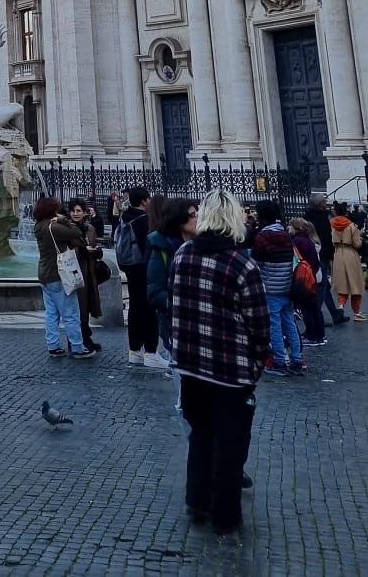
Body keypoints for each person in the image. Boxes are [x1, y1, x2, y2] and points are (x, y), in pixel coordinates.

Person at [168, 191, 269, 536]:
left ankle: (197, 502)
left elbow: (174, 305)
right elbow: (258, 322)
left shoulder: (181, 255)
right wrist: (256, 364)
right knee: (231, 442)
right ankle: (225, 515)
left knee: (201, 435)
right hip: (230, 371)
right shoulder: (243, 265)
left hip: (190, 366)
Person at [34, 198, 95, 360]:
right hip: (58, 275)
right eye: (56, 209)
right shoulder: (53, 227)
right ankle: (77, 347)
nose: (58, 212)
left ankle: (53, 346)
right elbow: (76, 232)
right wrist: (63, 220)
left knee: (51, 313)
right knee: (71, 312)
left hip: (44, 274)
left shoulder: (38, 226)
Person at [116, 186, 167, 368]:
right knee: (148, 308)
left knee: (135, 307)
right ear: (145, 200)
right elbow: (150, 248)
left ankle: (134, 351)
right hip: (142, 268)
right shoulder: (143, 221)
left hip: (130, 267)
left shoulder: (125, 217)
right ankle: (151, 352)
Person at [251, 202, 303, 375]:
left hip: (271, 288)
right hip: (287, 286)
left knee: (274, 326)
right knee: (289, 323)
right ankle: (297, 358)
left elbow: (256, 264)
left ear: (262, 216)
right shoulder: (286, 235)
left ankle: (280, 362)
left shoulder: (262, 238)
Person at [146, 199, 198, 359]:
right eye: (192, 215)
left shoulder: (201, 244)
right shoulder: (162, 248)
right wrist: (179, 304)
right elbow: (155, 290)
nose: (198, 218)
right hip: (175, 322)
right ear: (179, 219)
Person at [68, 196, 106, 355]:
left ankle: (86, 337)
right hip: (75, 272)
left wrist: (97, 251)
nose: (76, 214)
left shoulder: (90, 228)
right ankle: (76, 340)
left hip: (89, 271)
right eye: (73, 211)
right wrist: (83, 251)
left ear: (84, 212)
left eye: (79, 211)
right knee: (78, 307)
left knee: (88, 304)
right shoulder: (67, 229)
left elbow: (95, 244)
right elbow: (64, 252)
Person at [304, 193, 348, 326]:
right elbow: (325, 238)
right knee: (321, 285)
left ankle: (335, 314)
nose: (326, 203)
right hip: (321, 254)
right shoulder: (320, 218)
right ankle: (316, 316)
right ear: (318, 204)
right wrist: (330, 254)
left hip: (317, 253)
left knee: (324, 285)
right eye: (323, 201)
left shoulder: (309, 216)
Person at [287, 217, 326, 347]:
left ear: (296, 227)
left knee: (307, 308)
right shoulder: (308, 240)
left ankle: (312, 335)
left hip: (303, 277)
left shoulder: (297, 241)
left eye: (290, 226)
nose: (288, 228)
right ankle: (319, 334)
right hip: (311, 276)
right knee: (314, 307)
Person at [330, 210, 365, 319]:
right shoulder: (351, 226)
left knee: (342, 284)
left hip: (338, 254)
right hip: (350, 253)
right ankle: (357, 312)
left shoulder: (332, 224)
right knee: (356, 284)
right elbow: (357, 244)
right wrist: (360, 235)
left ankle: (340, 307)